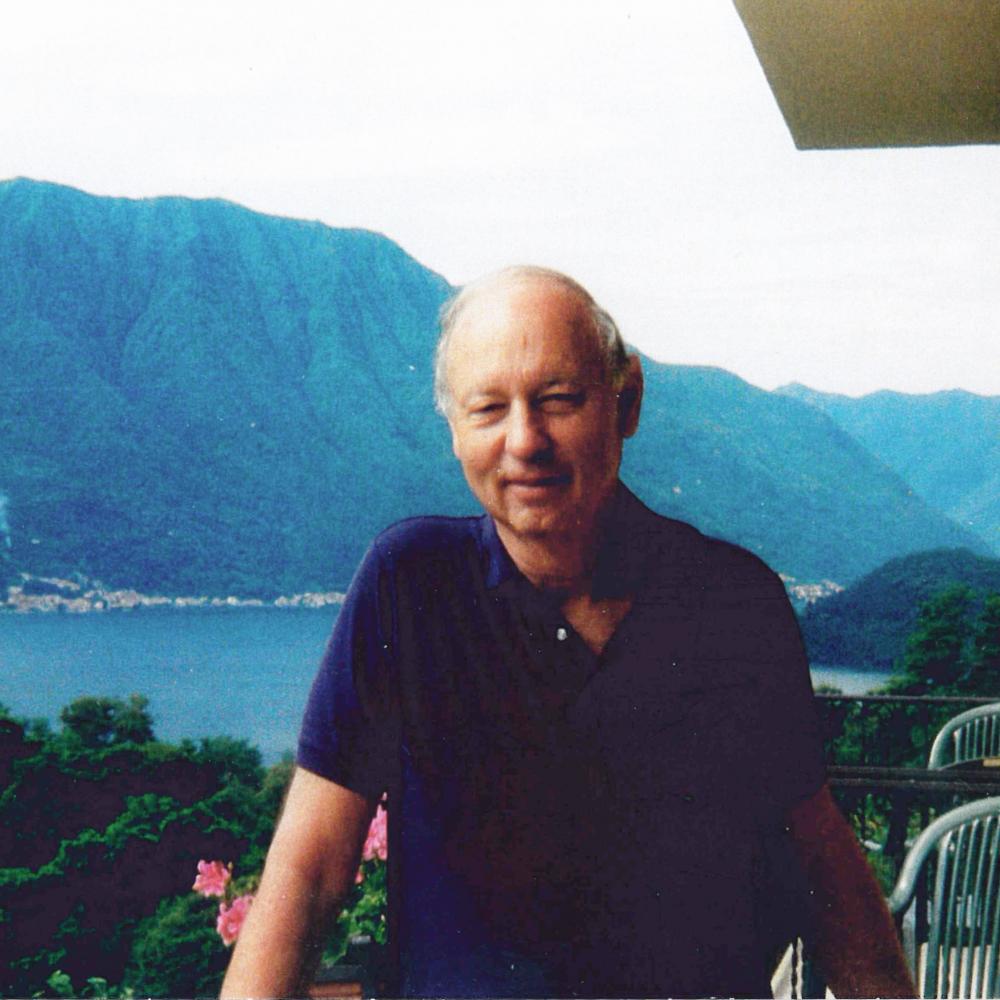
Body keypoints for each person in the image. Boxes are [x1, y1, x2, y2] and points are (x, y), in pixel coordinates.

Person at [221, 266, 915, 998]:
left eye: (558, 400)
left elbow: (822, 866)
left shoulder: (732, 602)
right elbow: (308, 870)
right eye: (488, 408)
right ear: (455, 430)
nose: (526, 440)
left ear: (628, 400)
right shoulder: (410, 587)